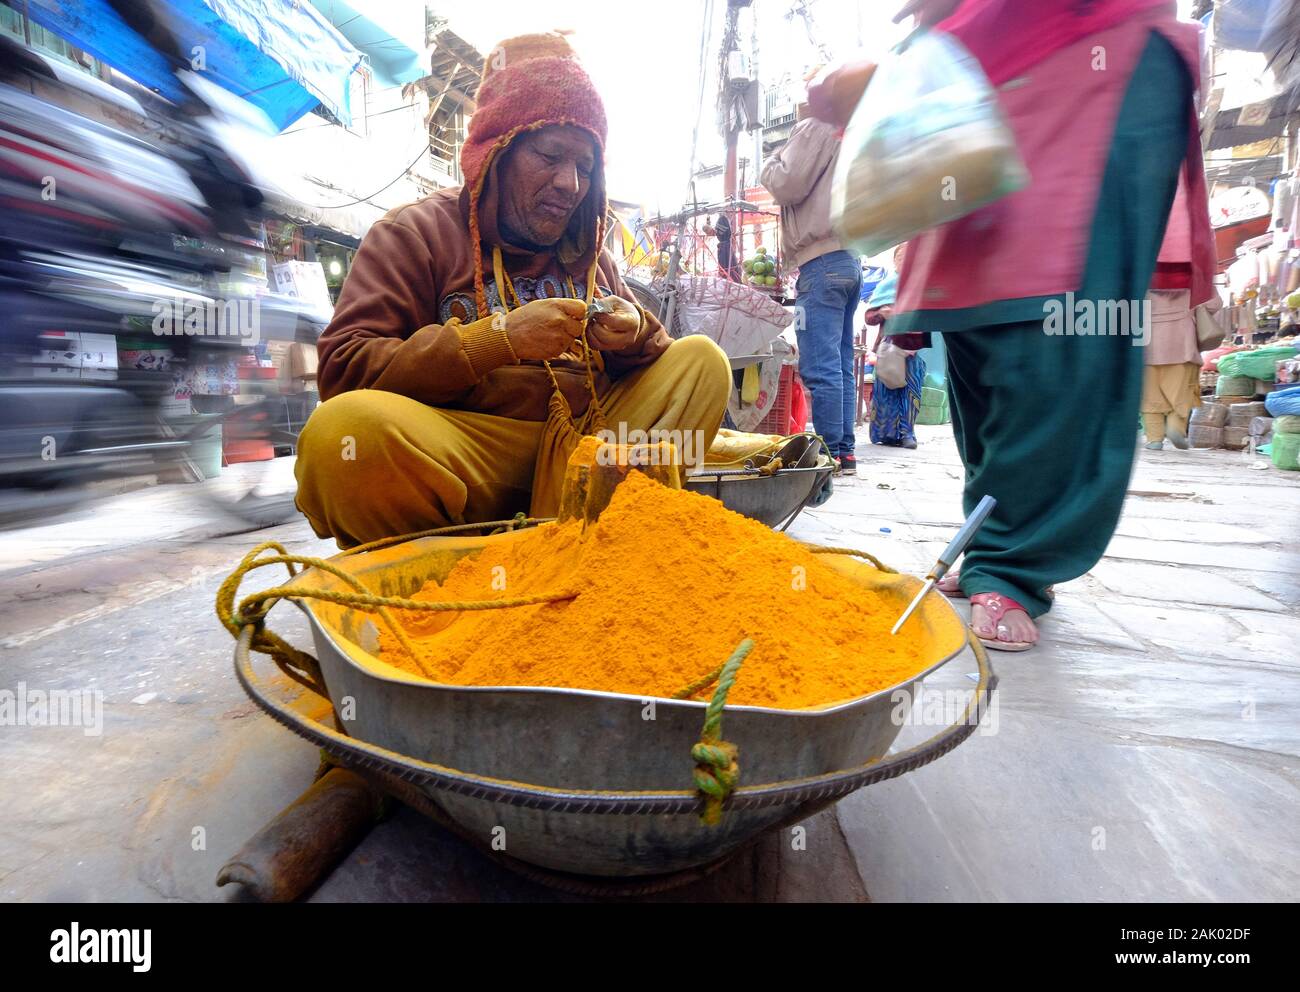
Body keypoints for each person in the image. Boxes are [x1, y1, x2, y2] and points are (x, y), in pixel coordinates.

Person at [809, 0, 1215, 651]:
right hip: (969, 75)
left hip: (1087, 55)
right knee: (974, 317)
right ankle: (987, 542)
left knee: (1051, 329)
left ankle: (1012, 561)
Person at [294, 32, 730, 548]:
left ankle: (594, 534)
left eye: (585, 167)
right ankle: (469, 559)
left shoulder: (587, 252)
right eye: (550, 156)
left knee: (702, 362)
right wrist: (496, 339)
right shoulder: (413, 233)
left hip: (589, 455)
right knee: (339, 435)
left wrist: (634, 333)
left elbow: (657, 362)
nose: (570, 183)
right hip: (467, 457)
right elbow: (345, 366)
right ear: (495, 154)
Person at [761, 113, 862, 476]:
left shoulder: (817, 123)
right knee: (839, 367)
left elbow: (786, 183)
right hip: (848, 260)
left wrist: (771, 159)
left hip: (822, 263)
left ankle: (831, 454)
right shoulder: (849, 127)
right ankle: (845, 452)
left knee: (821, 368)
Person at [863, 269, 925, 449]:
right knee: (885, 392)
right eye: (900, 256)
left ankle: (907, 433)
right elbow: (870, 317)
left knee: (910, 392)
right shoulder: (885, 285)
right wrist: (882, 313)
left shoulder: (919, 285)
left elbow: (928, 316)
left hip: (912, 349)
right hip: (888, 348)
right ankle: (885, 433)